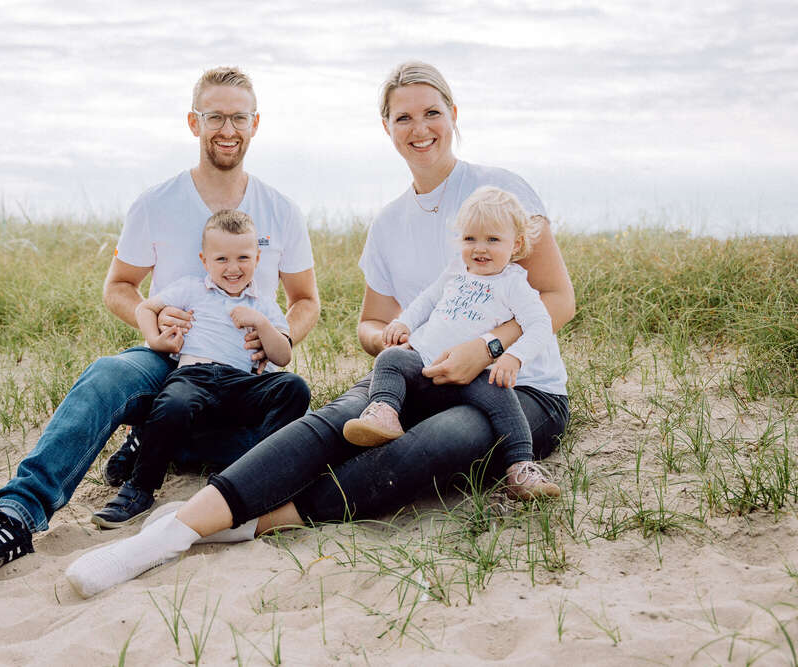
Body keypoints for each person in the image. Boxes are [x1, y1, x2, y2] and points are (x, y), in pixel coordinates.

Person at [64, 61, 575, 598]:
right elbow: (370, 324)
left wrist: (487, 348)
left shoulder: (500, 191)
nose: (419, 128)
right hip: (422, 370)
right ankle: (173, 530)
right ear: (387, 128)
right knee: (334, 421)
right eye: (404, 117)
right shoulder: (388, 222)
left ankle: (256, 522)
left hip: (520, 389)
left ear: (454, 116)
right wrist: (392, 342)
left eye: (432, 113)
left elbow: (556, 297)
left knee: (429, 445)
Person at [0, 66, 320, 580]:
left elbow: (306, 300)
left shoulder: (281, 210)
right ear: (193, 122)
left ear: (256, 124)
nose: (228, 129)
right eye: (215, 117)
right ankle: (13, 517)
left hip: (243, 374)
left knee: (276, 425)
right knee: (105, 376)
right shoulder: (156, 203)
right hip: (169, 358)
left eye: (239, 118)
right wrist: (150, 323)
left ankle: (160, 443)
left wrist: (279, 337)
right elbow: (119, 286)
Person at [91, 209, 310, 529]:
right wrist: (157, 341)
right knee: (174, 403)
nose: (233, 268)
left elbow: (283, 355)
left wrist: (262, 324)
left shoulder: (262, 303)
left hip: (241, 383)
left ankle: (256, 475)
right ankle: (139, 489)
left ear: (257, 257)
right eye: (221, 259)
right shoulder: (191, 288)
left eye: (243, 258)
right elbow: (146, 308)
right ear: (204, 260)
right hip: (196, 375)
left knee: (294, 388)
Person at [342, 185, 562, 501]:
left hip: (473, 376)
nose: (480, 248)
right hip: (424, 359)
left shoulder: (513, 284)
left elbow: (541, 325)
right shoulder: (457, 270)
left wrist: (514, 357)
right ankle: (384, 413)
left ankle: (519, 467)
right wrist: (403, 322)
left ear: (516, 245)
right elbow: (428, 298)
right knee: (389, 360)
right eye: (470, 238)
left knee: (504, 401)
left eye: (493, 239)